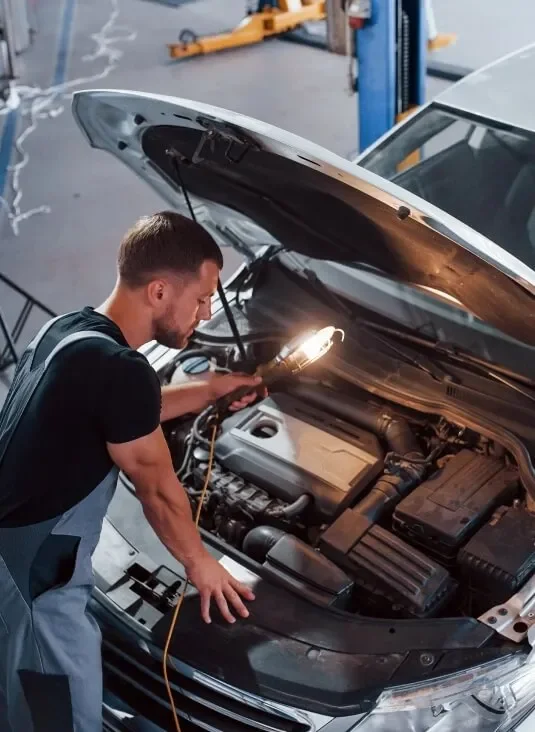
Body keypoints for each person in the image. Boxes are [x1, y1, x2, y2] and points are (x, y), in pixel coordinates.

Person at [0, 211, 261, 732]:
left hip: (15, 556)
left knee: (24, 690)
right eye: (203, 298)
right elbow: (159, 491)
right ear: (160, 292)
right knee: (59, 714)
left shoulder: (72, 331)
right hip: (37, 582)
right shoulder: (121, 370)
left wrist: (210, 390)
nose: (207, 313)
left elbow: (124, 411)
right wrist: (202, 565)